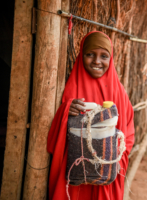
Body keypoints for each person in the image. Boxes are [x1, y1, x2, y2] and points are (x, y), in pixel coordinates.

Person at [47, 31, 135, 200]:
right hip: (73, 171)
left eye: (104, 56)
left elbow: (129, 131)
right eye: (90, 54)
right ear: (81, 55)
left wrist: (117, 157)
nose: (97, 61)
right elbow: (51, 140)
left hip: (107, 171)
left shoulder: (119, 94)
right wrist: (65, 111)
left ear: (111, 59)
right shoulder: (71, 88)